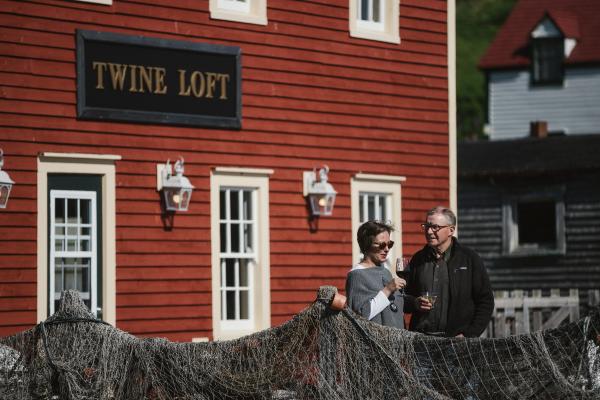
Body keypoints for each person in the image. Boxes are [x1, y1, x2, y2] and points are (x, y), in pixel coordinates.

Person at [405, 206, 494, 337]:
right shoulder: (418, 259)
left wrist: (469, 334)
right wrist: (415, 303)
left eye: (435, 227)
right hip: (421, 343)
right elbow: (405, 298)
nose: (429, 231)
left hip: (457, 344)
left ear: (451, 230)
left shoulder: (469, 259)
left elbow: (485, 301)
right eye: (427, 226)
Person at [345, 220, 406, 328]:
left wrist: (415, 303)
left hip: (397, 341)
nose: (387, 249)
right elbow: (360, 316)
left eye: (389, 244)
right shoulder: (357, 275)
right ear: (367, 245)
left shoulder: (385, 271)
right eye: (382, 245)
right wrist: (387, 290)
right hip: (375, 343)